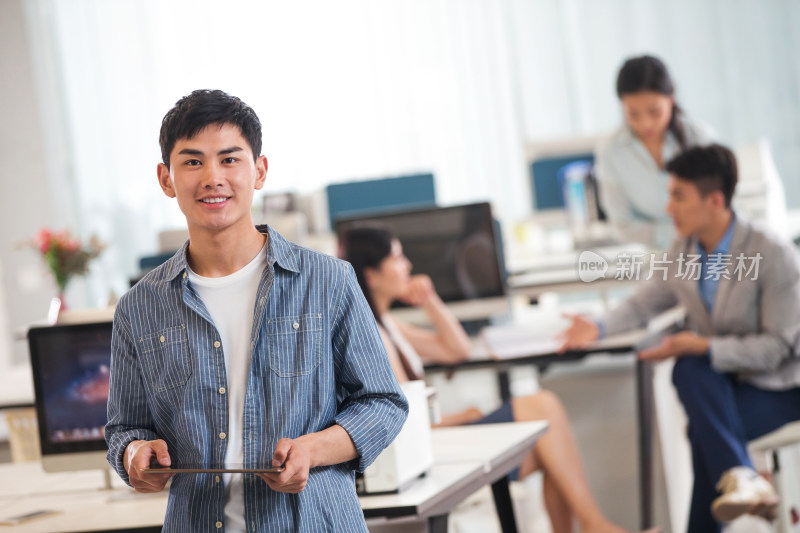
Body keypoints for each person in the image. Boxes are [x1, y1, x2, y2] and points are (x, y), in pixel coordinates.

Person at [104, 90, 408, 532]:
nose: (212, 177)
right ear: (166, 179)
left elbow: (383, 403)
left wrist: (313, 451)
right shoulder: (139, 307)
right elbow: (124, 429)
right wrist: (134, 453)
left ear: (259, 170)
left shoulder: (328, 281)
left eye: (230, 159)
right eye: (192, 162)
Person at [340, 226, 644, 533]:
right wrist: (465, 415)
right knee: (543, 406)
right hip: (431, 450)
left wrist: (430, 300)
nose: (407, 265)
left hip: (439, 441)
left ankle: (594, 525)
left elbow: (456, 349)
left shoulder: (389, 324)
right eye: (396, 257)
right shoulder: (375, 338)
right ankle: (597, 526)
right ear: (372, 276)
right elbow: (405, 423)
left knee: (550, 450)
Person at [562, 144, 800, 532]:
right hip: (728, 384)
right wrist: (598, 326)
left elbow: (777, 349)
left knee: (700, 409)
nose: (668, 208)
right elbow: (644, 303)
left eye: (678, 196)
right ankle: (742, 478)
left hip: (782, 387)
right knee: (690, 370)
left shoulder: (772, 254)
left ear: (715, 200)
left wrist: (704, 345)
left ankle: (739, 479)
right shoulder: (683, 250)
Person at [595, 55, 715, 248]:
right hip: (652, 259)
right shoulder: (611, 151)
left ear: (671, 98)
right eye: (633, 114)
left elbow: (718, 208)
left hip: (709, 251)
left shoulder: (700, 138)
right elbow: (621, 224)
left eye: (655, 112)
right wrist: (681, 234)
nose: (646, 124)